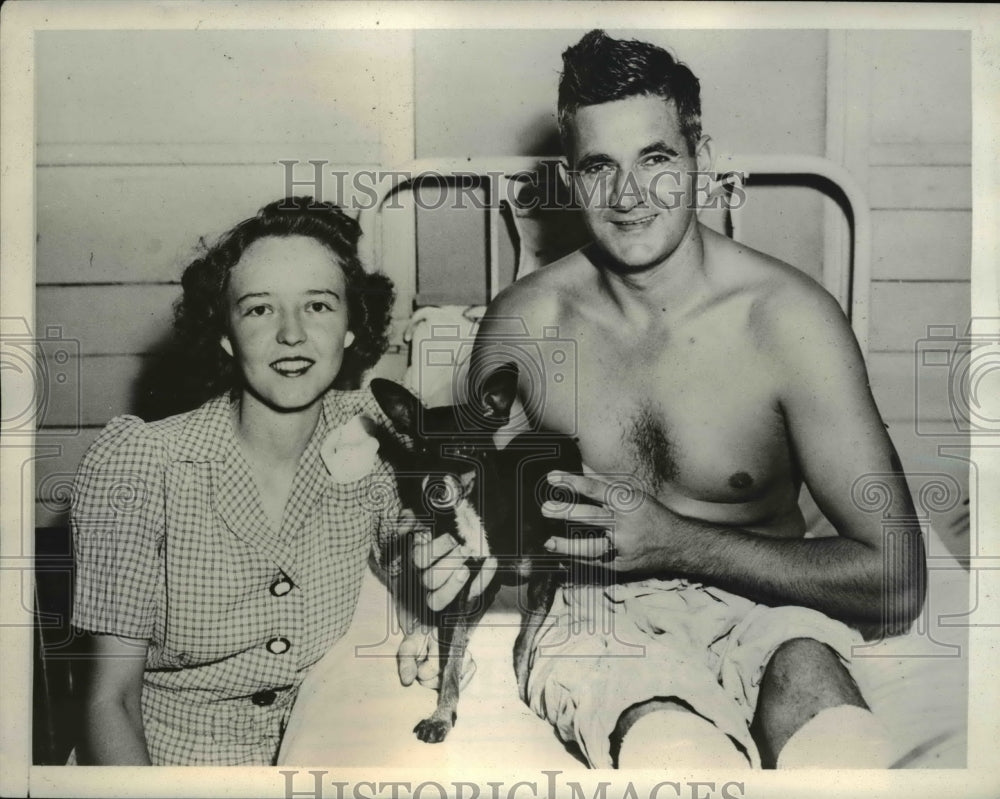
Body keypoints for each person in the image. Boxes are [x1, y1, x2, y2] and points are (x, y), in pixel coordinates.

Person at [407, 30, 926, 769]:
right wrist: (443, 557)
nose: (627, 196)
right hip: (594, 610)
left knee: (824, 716)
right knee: (671, 745)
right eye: (599, 168)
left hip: (767, 596)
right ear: (571, 180)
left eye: (655, 159)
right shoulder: (526, 325)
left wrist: (679, 540)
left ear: (700, 161)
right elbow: (481, 518)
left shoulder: (787, 319)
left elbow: (899, 577)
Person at [70, 197, 411, 765]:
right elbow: (111, 702)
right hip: (161, 769)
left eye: (319, 306)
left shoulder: (377, 439)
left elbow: (431, 555)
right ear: (225, 333)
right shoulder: (139, 464)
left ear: (352, 327)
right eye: (259, 310)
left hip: (320, 755)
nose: (292, 335)